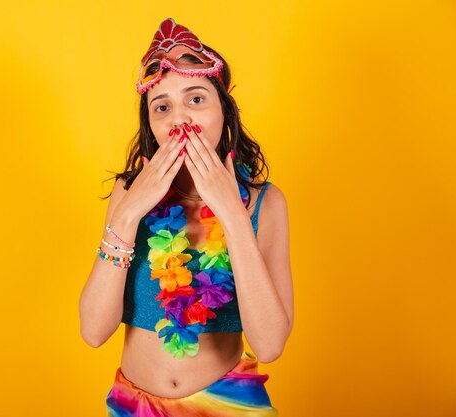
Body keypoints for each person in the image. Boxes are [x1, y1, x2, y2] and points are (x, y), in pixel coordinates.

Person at [79, 17, 293, 416]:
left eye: (196, 99)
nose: (180, 120)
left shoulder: (266, 202)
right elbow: (93, 332)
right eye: (163, 107)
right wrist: (126, 218)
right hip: (133, 406)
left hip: (230, 406)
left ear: (224, 111)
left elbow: (270, 345)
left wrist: (231, 212)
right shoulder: (130, 196)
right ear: (152, 124)